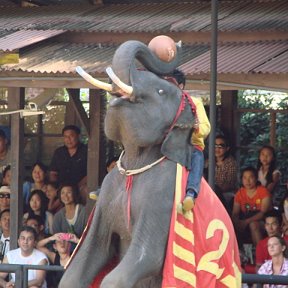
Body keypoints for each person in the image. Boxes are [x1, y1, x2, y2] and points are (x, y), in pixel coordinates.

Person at [164, 69, 210, 212]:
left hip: (189, 146)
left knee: (197, 156)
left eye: (171, 83)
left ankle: (191, 193)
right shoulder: (161, 104)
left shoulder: (195, 102)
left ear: (181, 86)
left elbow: (206, 128)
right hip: (166, 147)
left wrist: (196, 127)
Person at [232, 166, 272, 246]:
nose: (248, 181)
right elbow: (235, 213)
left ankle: (260, 253)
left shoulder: (263, 191)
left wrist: (246, 222)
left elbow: (262, 213)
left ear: (256, 178)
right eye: (245, 178)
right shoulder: (239, 193)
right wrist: (237, 223)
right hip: (244, 221)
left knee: (253, 224)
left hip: (264, 221)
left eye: (251, 177)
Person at [49, 125, 87, 202]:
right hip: (61, 186)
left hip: (80, 186)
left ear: (78, 136)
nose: (68, 139)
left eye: (71, 136)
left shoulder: (86, 151)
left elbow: (90, 174)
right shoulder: (59, 152)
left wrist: (76, 187)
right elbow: (53, 173)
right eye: (66, 137)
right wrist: (55, 186)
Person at [215, 134, 238, 207]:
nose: (217, 149)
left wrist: (215, 190)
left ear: (227, 148)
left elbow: (229, 184)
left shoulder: (231, 162)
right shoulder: (208, 162)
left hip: (227, 194)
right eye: (215, 146)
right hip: (211, 192)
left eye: (220, 146)